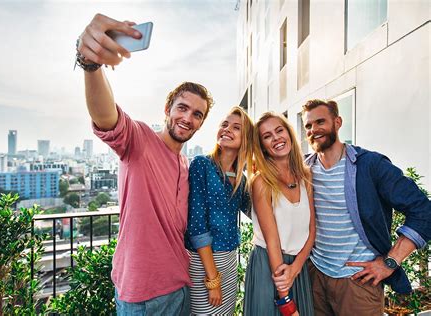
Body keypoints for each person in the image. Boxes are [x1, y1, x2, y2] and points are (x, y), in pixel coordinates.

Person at [76, 14, 214, 315]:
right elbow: (106, 116)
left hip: (181, 285)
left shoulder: (185, 163)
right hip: (142, 293)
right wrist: (91, 65)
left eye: (197, 114)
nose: (188, 118)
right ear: (168, 109)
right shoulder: (139, 140)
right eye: (182, 108)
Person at [301, 99, 431, 315]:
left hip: (358, 283)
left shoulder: (370, 165)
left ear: (337, 122)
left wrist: (390, 262)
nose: (314, 130)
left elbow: (423, 211)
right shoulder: (304, 169)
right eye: (308, 125)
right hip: (315, 278)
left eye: (320, 122)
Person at [243, 112, 316, 316]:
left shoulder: (305, 175)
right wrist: (285, 300)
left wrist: (296, 268)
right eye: (267, 136)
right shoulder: (261, 182)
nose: (276, 138)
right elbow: (272, 241)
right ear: (262, 146)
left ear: (289, 133)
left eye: (279, 130)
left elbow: (312, 230)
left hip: (298, 268)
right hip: (269, 267)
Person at [185, 106, 253, 315]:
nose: (227, 129)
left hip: (230, 260)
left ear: (246, 138)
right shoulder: (201, 165)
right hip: (203, 261)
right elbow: (197, 226)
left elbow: (256, 212)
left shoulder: (240, 177)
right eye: (224, 124)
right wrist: (213, 280)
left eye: (236, 127)